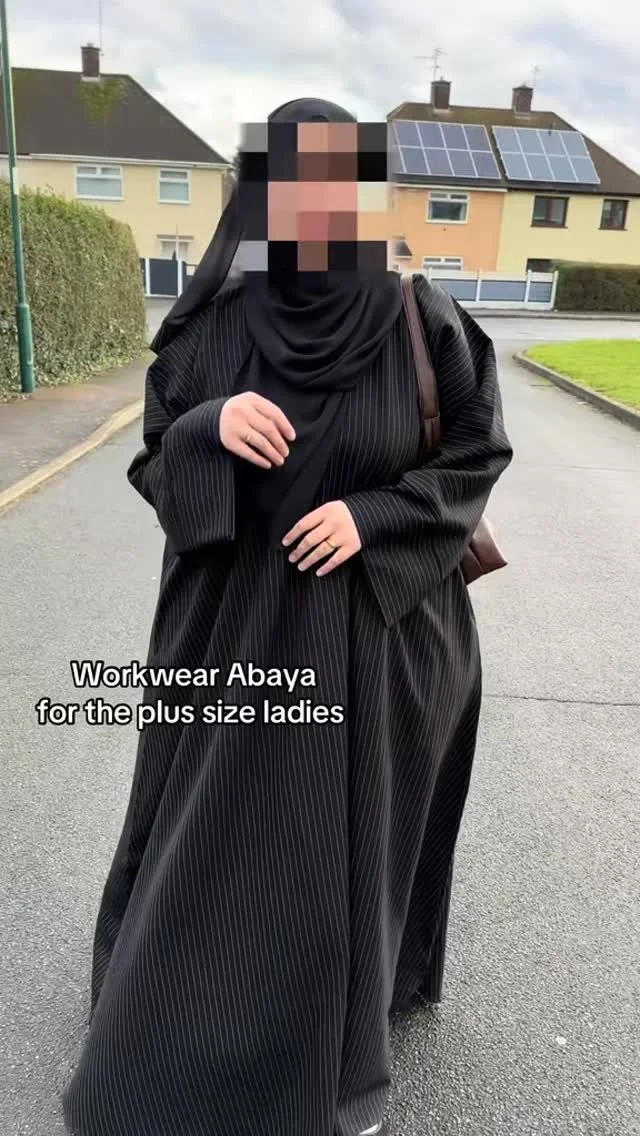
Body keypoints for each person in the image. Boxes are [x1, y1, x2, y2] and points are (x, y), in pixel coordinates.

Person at [62, 98, 513, 1136]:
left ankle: (337, 1055)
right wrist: (210, 425)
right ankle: (184, 1023)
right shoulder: (215, 325)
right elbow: (156, 458)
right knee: (222, 841)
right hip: (232, 634)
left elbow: (475, 454)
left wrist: (372, 515)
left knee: (343, 848)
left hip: (381, 639)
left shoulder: (422, 317)